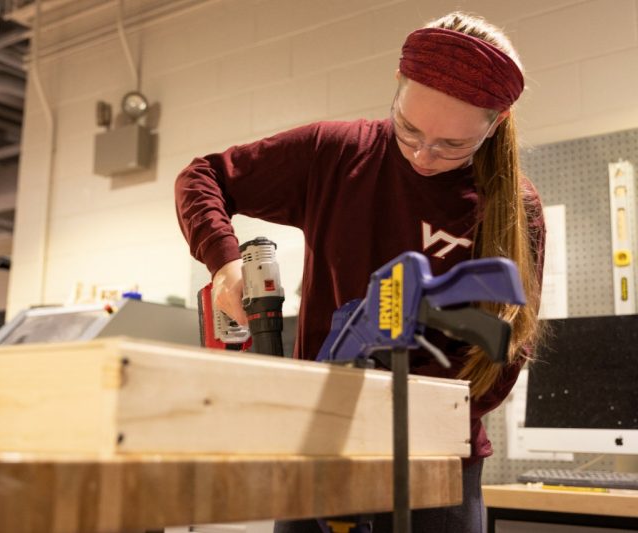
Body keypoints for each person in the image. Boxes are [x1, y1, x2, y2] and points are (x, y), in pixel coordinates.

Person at [175, 11, 545, 533]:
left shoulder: (514, 207)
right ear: (397, 86)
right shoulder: (335, 154)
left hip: (437, 463)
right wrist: (225, 264)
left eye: (452, 146)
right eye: (409, 128)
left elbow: (507, 349)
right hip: (324, 453)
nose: (422, 154)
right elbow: (202, 177)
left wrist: (412, 420)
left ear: (497, 123)